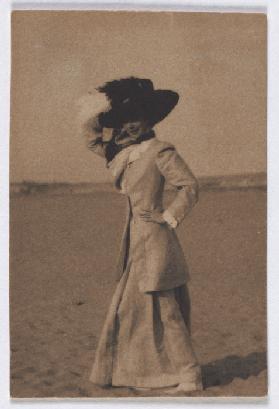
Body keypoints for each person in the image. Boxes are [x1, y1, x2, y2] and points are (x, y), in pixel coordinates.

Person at [81, 77, 203, 394]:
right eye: (125, 120)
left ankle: (190, 376)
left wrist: (167, 215)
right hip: (134, 241)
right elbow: (92, 142)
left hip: (155, 238)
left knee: (166, 307)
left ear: (150, 119)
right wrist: (97, 113)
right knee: (128, 308)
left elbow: (189, 185)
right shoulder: (124, 153)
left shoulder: (160, 152)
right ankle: (143, 373)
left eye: (137, 118)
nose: (130, 126)